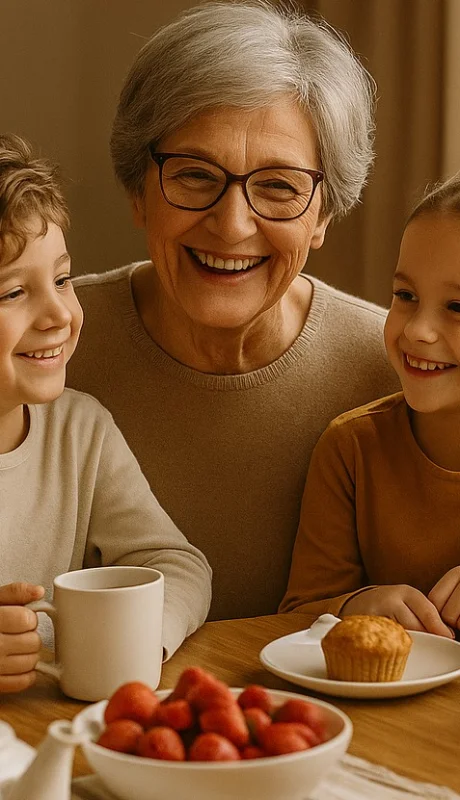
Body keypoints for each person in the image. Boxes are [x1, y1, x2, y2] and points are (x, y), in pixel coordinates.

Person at [67, 1, 399, 622]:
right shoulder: (47, 343)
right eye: (195, 175)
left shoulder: (394, 368)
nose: (232, 224)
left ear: (324, 214)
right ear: (138, 190)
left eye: (278, 186)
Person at [0, 134, 212, 693]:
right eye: (12, 293)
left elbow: (175, 562)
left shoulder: (79, 431)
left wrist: (142, 640)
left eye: (63, 280)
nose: (58, 315)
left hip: (55, 737)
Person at [280, 174, 460, 638]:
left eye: (458, 307)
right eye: (406, 296)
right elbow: (296, 616)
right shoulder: (352, 449)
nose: (418, 329)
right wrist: (359, 605)